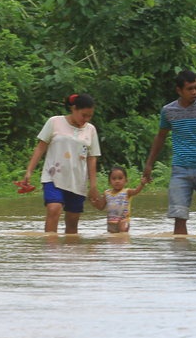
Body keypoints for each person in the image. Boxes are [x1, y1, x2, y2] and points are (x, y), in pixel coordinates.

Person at [142, 70, 196, 235]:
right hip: (180, 169)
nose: (194, 92)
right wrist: (149, 164)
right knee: (179, 216)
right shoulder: (168, 111)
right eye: (190, 89)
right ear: (179, 90)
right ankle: (182, 257)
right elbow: (160, 137)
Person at [20, 93, 101, 234]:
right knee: (54, 208)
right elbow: (41, 147)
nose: (86, 119)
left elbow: (92, 158)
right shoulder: (54, 122)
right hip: (53, 176)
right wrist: (29, 171)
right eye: (83, 115)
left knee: (72, 222)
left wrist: (93, 186)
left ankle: (69, 255)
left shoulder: (91, 130)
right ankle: (50, 251)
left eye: (90, 116)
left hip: (77, 180)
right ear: (74, 109)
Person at [91, 166, 146, 233]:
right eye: (114, 179)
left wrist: (142, 184)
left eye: (120, 178)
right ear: (109, 182)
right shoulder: (107, 193)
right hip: (111, 222)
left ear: (126, 181)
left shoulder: (127, 192)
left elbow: (136, 191)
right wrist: (95, 204)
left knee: (123, 236)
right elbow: (101, 207)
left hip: (123, 221)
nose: (117, 181)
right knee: (112, 239)